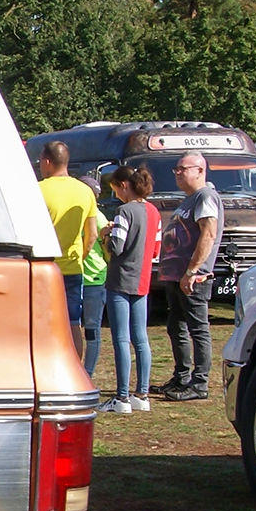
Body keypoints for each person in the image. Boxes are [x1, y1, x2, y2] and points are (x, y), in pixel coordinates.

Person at [153, 151, 224, 401]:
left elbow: (208, 234)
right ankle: (182, 377)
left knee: (197, 328)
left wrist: (193, 270)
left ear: (200, 171)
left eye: (183, 169)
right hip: (178, 276)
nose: (178, 173)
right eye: (177, 169)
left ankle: (199, 383)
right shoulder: (190, 199)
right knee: (177, 326)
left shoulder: (205, 197)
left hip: (194, 277)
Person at [98, 165, 161, 414]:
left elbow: (117, 247)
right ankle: (142, 394)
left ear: (124, 185)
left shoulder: (124, 211)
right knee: (141, 338)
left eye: (115, 189)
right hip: (143, 279)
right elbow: (156, 249)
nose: (116, 195)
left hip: (121, 280)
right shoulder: (154, 212)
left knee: (121, 339)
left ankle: (122, 397)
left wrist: (106, 234)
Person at [37, 142, 99, 357]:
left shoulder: (38, 190)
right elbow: (92, 235)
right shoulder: (85, 191)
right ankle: (76, 371)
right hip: (73, 269)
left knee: (42, 325)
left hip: (43, 268)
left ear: (47, 161)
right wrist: (80, 258)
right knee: (73, 324)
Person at [77, 173, 109, 377]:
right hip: (76, 277)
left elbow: (107, 252)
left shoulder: (98, 218)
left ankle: (87, 373)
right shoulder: (80, 215)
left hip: (94, 280)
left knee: (91, 330)